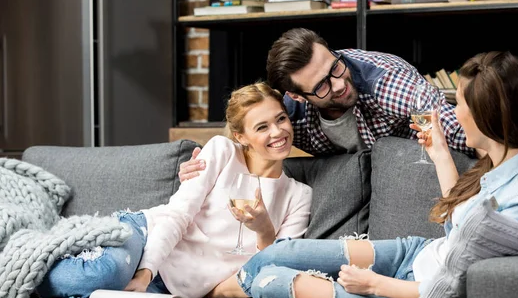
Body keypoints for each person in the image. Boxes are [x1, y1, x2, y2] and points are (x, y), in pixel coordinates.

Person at [205, 51, 518, 298]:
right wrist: (440, 153)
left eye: (461, 104)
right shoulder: (508, 161)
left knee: (270, 281)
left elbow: (463, 289)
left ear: (486, 115)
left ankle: (207, 294)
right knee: (280, 254)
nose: (454, 113)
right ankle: (214, 291)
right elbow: (460, 230)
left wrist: (374, 285)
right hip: (416, 253)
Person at [35, 82, 312, 298]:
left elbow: (271, 269)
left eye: (281, 119)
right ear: (241, 137)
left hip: (169, 290)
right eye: (262, 127)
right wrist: (145, 273)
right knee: (105, 273)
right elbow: (177, 215)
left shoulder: (298, 196)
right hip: (146, 239)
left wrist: (264, 231)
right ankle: (23, 271)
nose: (278, 132)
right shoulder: (222, 152)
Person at [178, 27, 477, 182]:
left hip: (406, 171)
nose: (339, 84)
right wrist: (204, 169)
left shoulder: (387, 84)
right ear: (295, 96)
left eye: (335, 66)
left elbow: (453, 129)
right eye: (321, 85)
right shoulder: (287, 115)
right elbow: (244, 143)